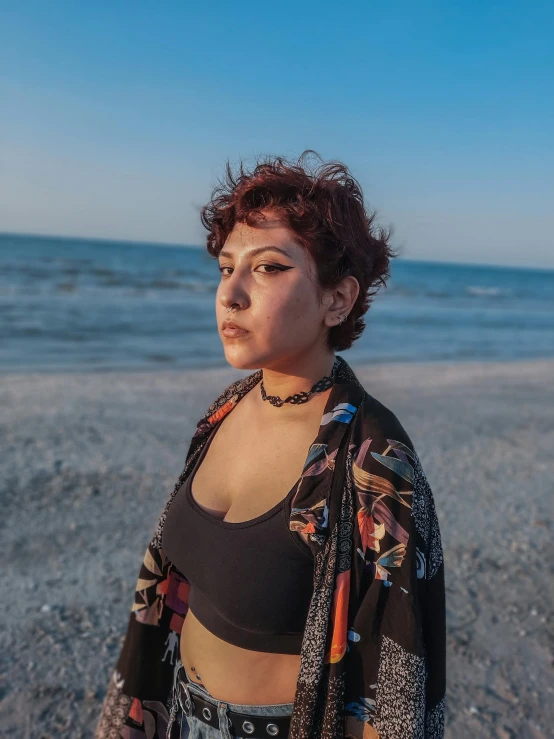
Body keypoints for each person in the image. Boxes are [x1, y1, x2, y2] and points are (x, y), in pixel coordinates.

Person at [95, 151, 446, 739]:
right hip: (176, 714)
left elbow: (395, 685)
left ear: (337, 300)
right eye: (226, 267)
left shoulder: (375, 460)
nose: (230, 294)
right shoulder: (226, 408)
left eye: (268, 268)